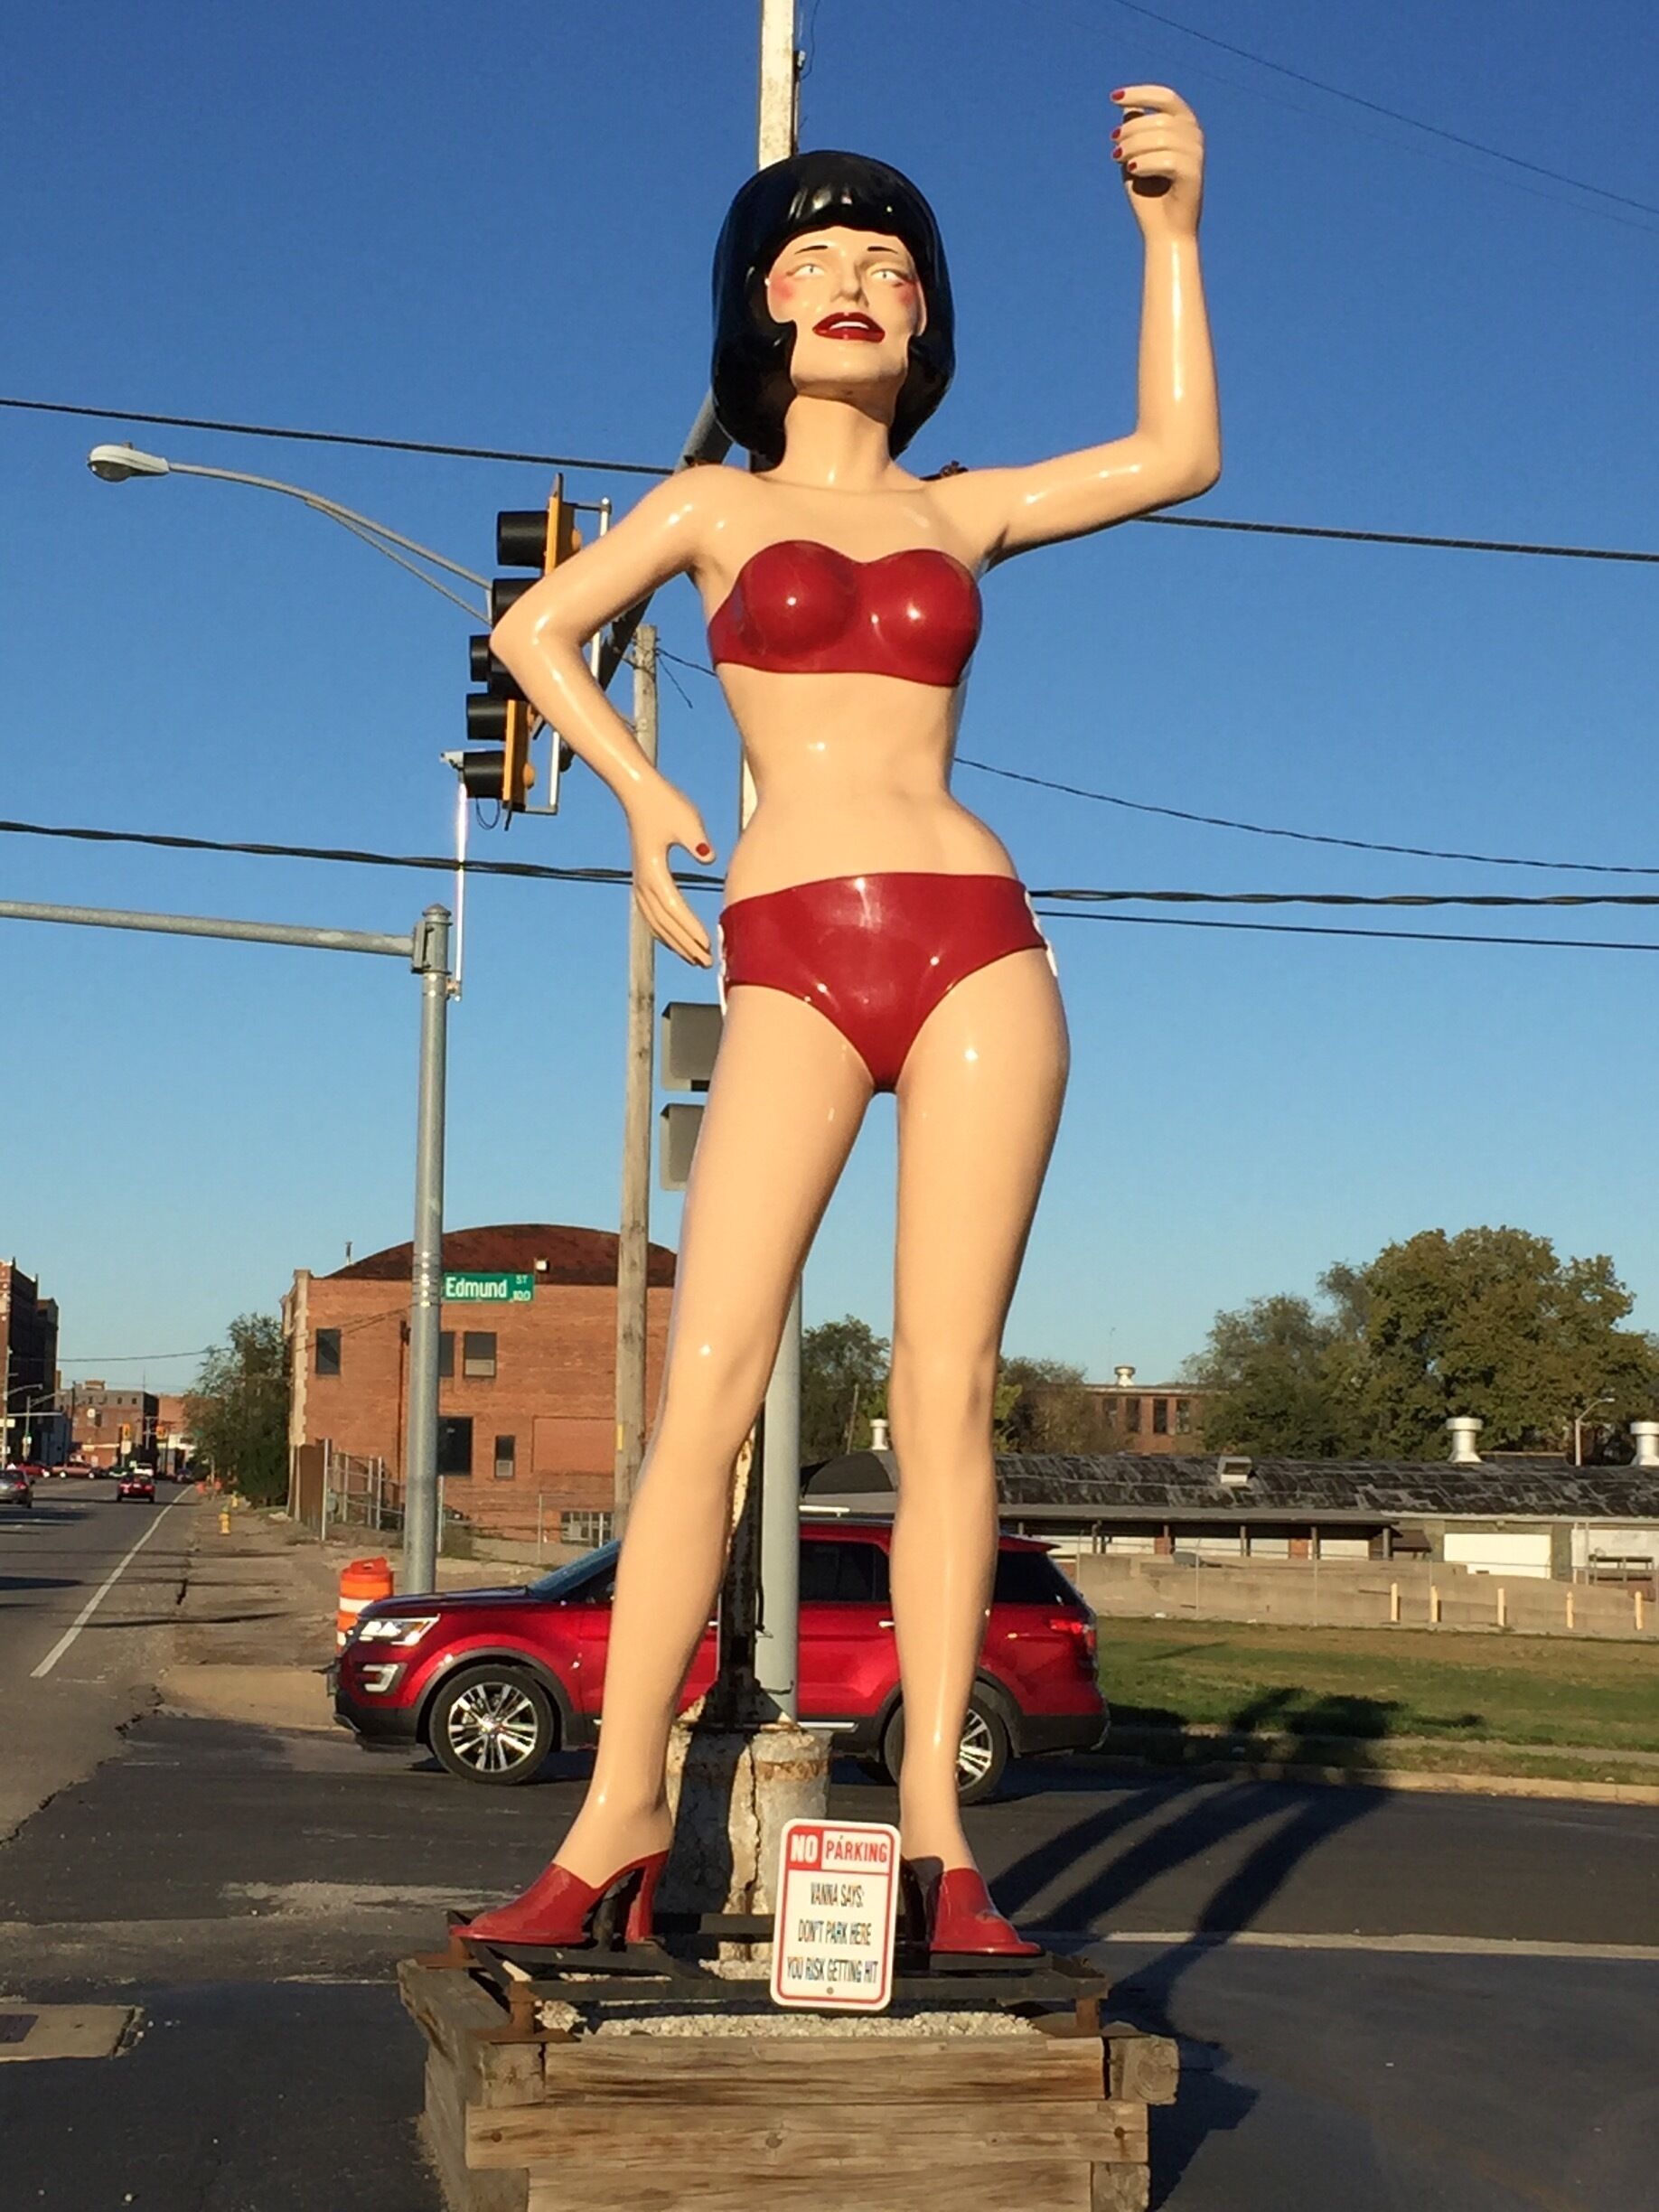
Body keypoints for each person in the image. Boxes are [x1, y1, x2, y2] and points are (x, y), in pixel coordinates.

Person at [468, 87, 1216, 1954]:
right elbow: (535, 634)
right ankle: (616, 1814)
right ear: (764, 305)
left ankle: (950, 1847)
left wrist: (1171, 232)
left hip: (977, 942)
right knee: (703, 1394)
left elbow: (1182, 452)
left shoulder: (966, 510)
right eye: (822, 259)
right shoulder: (713, 500)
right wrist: (644, 799)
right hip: (790, 944)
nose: (863, 283)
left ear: (932, 318)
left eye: (895, 263)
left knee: (943, 1400)